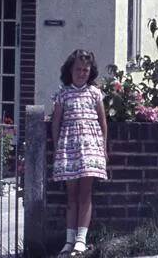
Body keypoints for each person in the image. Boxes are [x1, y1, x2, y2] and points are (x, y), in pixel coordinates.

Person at [51, 49, 108, 256]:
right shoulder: (63, 93)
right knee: (71, 196)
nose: (82, 73)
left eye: (86, 70)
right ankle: (69, 240)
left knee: (86, 194)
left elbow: (103, 122)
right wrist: (58, 147)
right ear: (70, 70)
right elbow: (56, 122)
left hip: (91, 148)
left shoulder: (95, 93)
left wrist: (103, 147)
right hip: (69, 148)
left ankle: (81, 240)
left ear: (90, 72)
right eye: (78, 69)